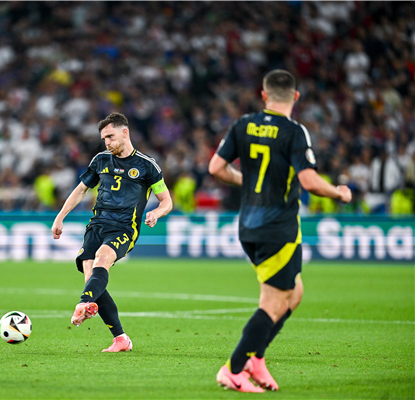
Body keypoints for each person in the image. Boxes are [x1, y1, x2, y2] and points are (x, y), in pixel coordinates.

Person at [208, 70, 351, 392]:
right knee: (273, 303)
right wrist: (339, 193)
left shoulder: (243, 124)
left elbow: (216, 168)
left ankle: (257, 359)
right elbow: (309, 181)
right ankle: (234, 369)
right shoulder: (293, 131)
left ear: (264, 95)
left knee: (294, 294)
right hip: (277, 228)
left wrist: (246, 182)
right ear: (296, 97)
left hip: (248, 224)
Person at [51, 112, 173, 352]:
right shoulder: (100, 160)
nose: (106, 142)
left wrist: (156, 213)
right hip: (97, 225)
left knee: (102, 259)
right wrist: (60, 216)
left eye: (110, 136)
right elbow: (81, 189)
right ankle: (121, 339)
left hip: (124, 227)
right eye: (104, 138)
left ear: (125, 132)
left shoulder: (147, 165)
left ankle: (83, 303)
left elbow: (167, 201)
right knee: (92, 280)